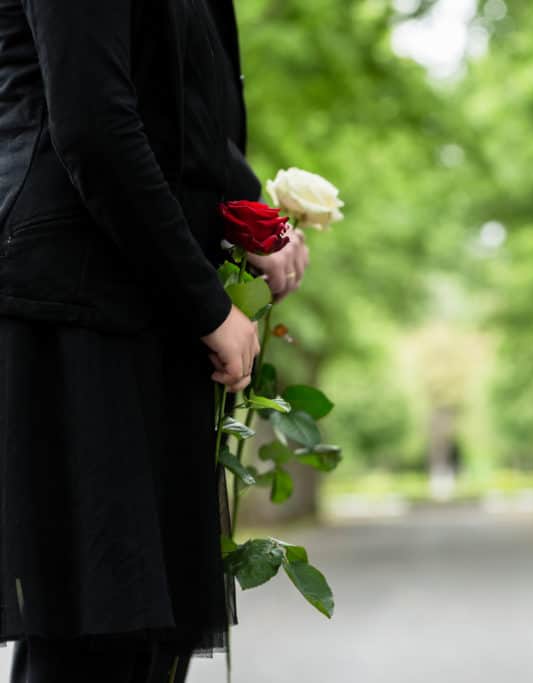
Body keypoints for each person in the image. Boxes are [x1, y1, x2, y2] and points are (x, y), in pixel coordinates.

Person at [0, 0, 307, 680]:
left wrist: (252, 212)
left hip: (148, 305)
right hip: (79, 310)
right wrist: (209, 308)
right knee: (93, 634)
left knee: (143, 634)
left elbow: (182, 110)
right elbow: (93, 124)